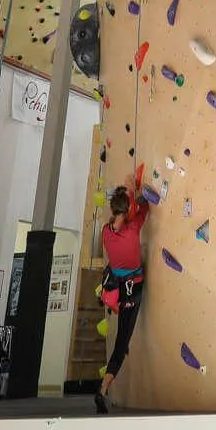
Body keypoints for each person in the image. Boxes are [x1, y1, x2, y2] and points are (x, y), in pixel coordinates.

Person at [93, 166, 148, 414]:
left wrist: (127, 197)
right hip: (132, 291)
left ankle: (104, 389)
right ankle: (103, 389)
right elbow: (145, 205)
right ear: (128, 212)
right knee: (121, 341)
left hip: (120, 291)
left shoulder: (106, 233)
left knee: (121, 338)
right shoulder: (134, 227)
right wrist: (137, 195)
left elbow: (119, 219)